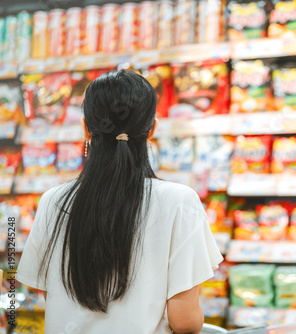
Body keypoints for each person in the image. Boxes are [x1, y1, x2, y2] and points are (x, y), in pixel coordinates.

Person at [16, 70, 223, 334]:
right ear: (152, 130)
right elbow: (185, 322)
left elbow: (52, 294)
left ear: (86, 130)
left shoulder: (53, 201)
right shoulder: (179, 201)